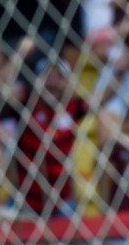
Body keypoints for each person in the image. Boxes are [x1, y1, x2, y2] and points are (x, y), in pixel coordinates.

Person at [16, 55, 89, 215]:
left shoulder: (76, 107)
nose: (53, 82)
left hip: (63, 201)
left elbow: (102, 100)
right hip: (25, 201)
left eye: (60, 77)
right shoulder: (25, 106)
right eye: (47, 76)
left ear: (69, 82)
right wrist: (20, 54)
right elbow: (3, 92)